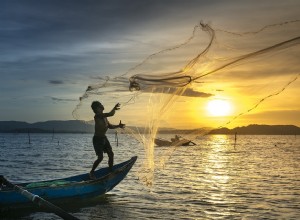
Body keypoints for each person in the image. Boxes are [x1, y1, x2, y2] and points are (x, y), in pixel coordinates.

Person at [89, 101, 125, 179]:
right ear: (97, 109)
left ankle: (110, 170)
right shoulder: (98, 116)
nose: (102, 105)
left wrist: (118, 126)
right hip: (97, 139)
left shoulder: (104, 117)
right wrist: (114, 108)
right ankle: (91, 172)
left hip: (104, 138)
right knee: (100, 157)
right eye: (100, 105)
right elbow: (111, 114)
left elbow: (110, 126)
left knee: (111, 154)